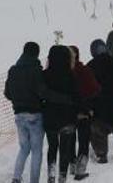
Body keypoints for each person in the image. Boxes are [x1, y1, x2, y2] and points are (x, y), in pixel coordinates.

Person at [4, 42, 52, 183]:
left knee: (24, 148)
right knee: (37, 150)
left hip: (18, 115)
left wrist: (18, 99)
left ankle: (16, 178)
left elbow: (7, 93)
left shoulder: (13, 70)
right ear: (36, 53)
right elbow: (42, 92)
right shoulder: (36, 70)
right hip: (35, 115)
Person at [42, 45, 79, 183]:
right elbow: (77, 97)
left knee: (52, 147)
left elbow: (40, 95)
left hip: (49, 118)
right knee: (65, 148)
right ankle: (62, 177)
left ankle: (51, 175)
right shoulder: (71, 75)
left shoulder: (44, 75)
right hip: (67, 118)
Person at [68, 46, 101, 180]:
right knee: (83, 139)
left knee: (70, 139)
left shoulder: (61, 71)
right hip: (84, 110)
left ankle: (71, 164)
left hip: (68, 112)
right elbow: (94, 89)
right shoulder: (84, 70)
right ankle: (80, 169)